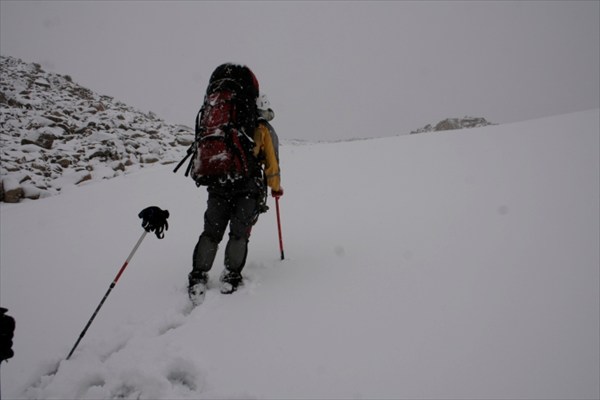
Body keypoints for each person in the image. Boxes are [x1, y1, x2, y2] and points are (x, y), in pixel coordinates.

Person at [188, 64, 283, 300]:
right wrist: (276, 188)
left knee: (211, 232)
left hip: (218, 182)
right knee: (239, 234)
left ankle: (198, 275)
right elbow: (271, 164)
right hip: (247, 186)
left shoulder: (219, 123)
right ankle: (231, 276)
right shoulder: (261, 129)